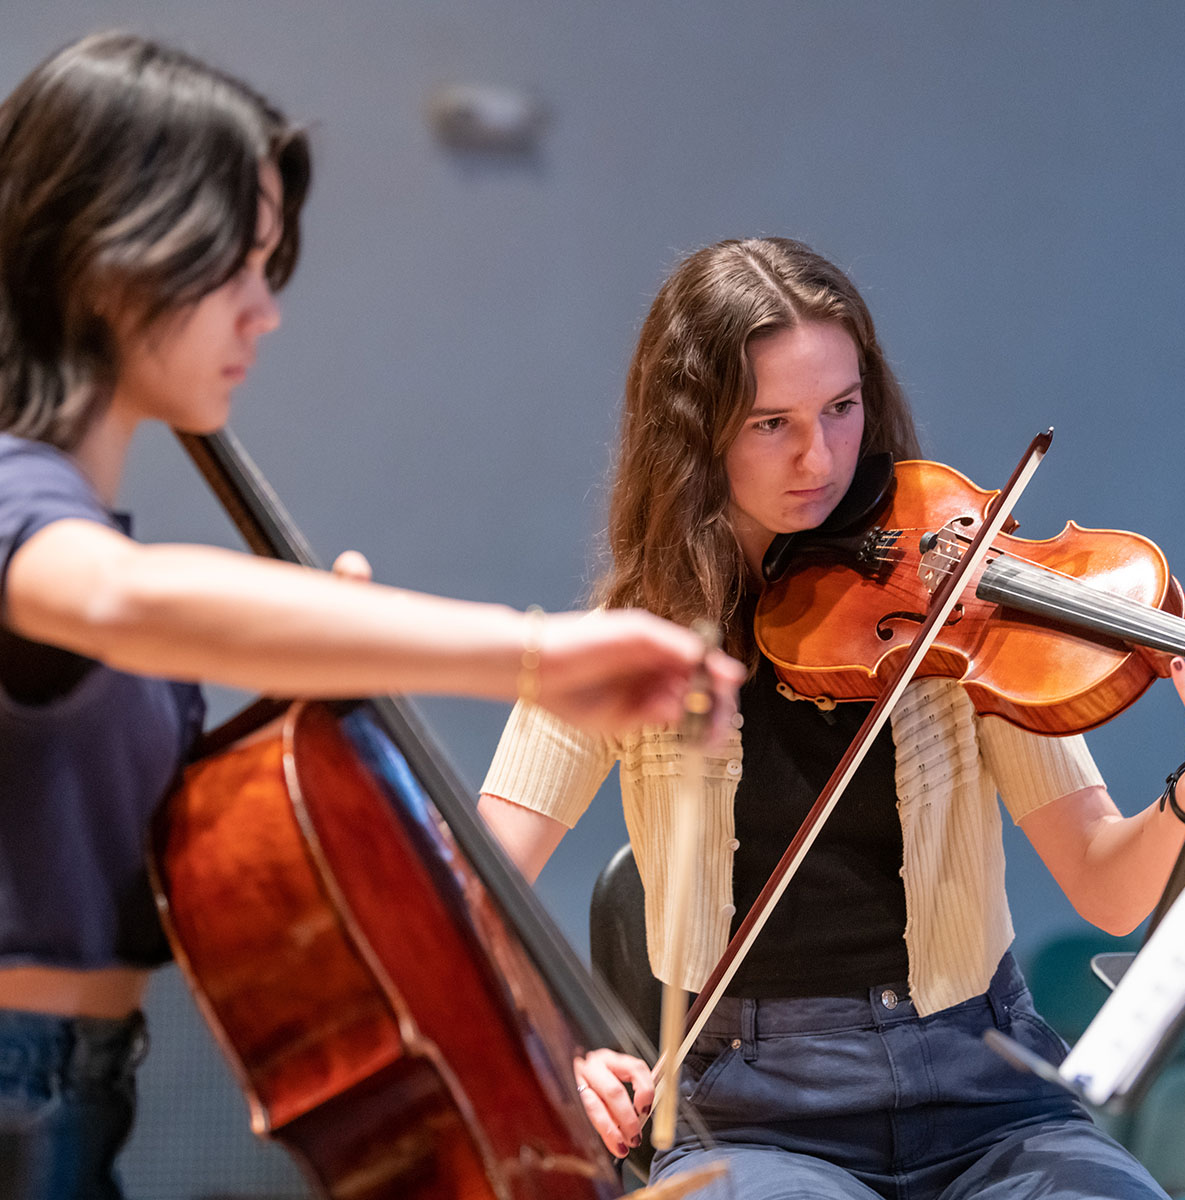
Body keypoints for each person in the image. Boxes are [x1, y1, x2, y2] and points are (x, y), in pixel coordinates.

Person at [0, 33, 744, 1200]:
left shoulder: (76, 521)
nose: (264, 312)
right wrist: (534, 657)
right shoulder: (18, 503)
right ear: (114, 259)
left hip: (77, 1087)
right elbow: (115, 598)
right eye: (236, 268)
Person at [479, 236, 1185, 1199]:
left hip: (989, 1092)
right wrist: (550, 1046)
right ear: (692, 431)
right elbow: (461, 894)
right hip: (755, 1114)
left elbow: (1109, 889)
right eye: (771, 422)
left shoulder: (960, 603)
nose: (819, 457)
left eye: (842, 408)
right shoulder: (623, 645)